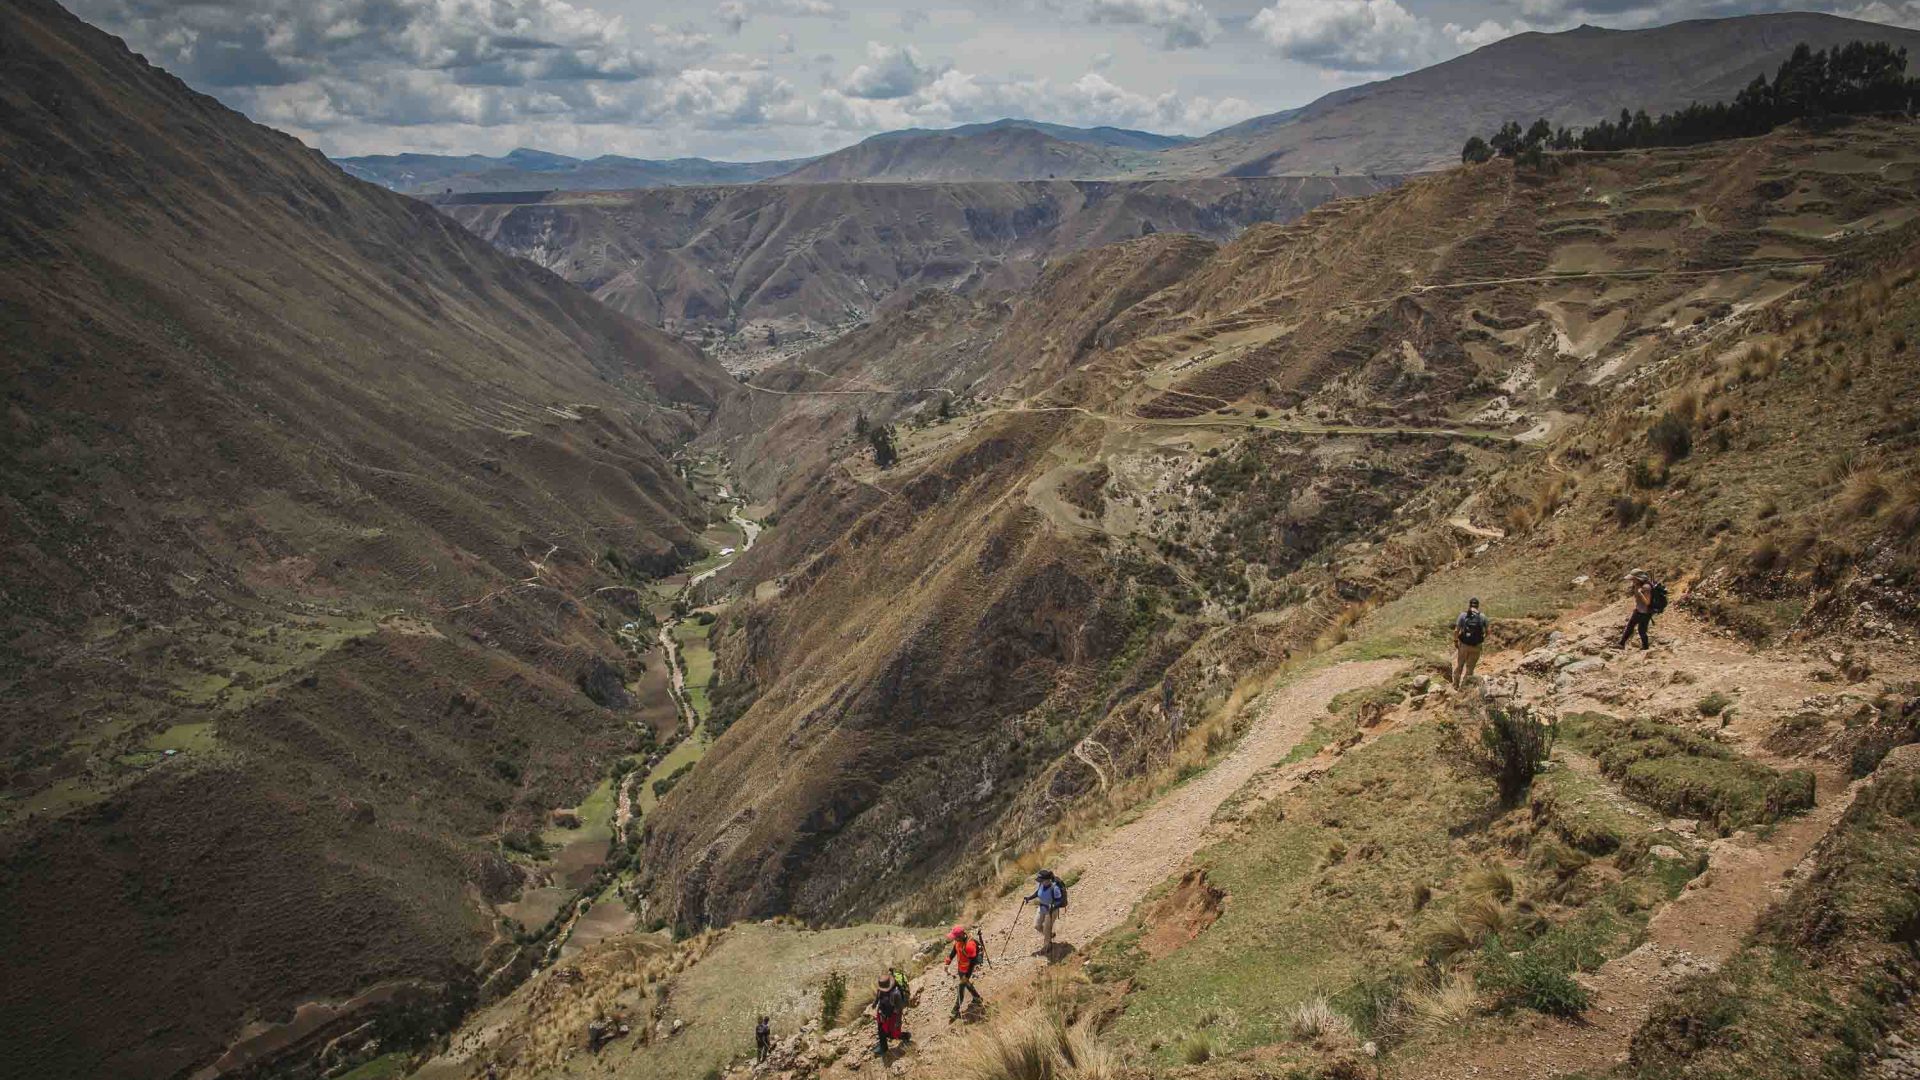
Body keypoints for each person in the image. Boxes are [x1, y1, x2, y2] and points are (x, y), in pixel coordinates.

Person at [943, 925, 984, 1019]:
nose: (954, 939)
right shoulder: (958, 941)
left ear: (961, 936)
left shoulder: (969, 946)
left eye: (955, 937)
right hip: (961, 968)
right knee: (966, 984)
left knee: (961, 987)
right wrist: (947, 963)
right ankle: (977, 998)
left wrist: (966, 976)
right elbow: (954, 951)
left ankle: (955, 1010)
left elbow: (973, 961)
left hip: (967, 969)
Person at [1025, 870, 1066, 956]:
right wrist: (1029, 898)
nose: (1039, 882)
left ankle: (1047, 946)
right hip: (1042, 907)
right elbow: (1038, 893)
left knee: (1047, 928)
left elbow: (1060, 900)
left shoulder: (1054, 888)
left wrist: (1053, 906)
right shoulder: (1041, 884)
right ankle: (1050, 935)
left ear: (1047, 880)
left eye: (1041, 880)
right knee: (1036, 925)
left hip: (1051, 911)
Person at [1452, 598, 1488, 688]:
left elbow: (1456, 630)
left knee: (1460, 665)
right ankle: (1464, 688)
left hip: (1464, 645)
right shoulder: (1483, 616)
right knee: (1470, 669)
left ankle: (1455, 685)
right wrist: (1481, 639)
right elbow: (1488, 632)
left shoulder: (1463, 615)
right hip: (1476, 646)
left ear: (1470, 605)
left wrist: (1456, 641)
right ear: (1478, 606)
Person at [873, 975, 910, 1056]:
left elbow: (899, 1008)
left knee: (892, 1034)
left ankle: (906, 1036)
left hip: (892, 1015)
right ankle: (883, 1048)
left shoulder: (896, 993)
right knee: (881, 1030)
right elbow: (878, 997)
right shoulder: (881, 990)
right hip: (882, 1013)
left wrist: (897, 1022)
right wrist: (875, 1003)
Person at [1619, 570, 1655, 650]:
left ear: (1638, 578)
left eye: (1633, 579)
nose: (1632, 581)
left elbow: (1647, 602)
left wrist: (1640, 593)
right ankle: (1621, 644)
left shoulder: (1646, 587)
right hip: (1638, 610)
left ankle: (1645, 647)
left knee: (1641, 631)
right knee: (1629, 627)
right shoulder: (1637, 585)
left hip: (1645, 613)